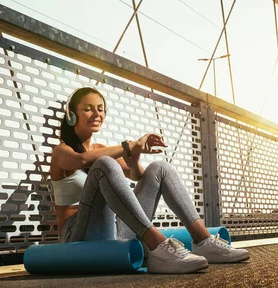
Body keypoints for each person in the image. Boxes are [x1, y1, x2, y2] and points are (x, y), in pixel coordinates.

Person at [50, 87, 249, 274]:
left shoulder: (101, 149)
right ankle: (158, 246)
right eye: (88, 109)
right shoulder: (61, 151)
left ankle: (204, 241)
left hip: (114, 230)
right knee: (105, 164)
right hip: (77, 235)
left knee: (160, 168)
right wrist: (129, 145)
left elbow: (138, 176)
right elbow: (81, 160)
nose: (97, 114)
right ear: (71, 115)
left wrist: (134, 157)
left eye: (100, 109)